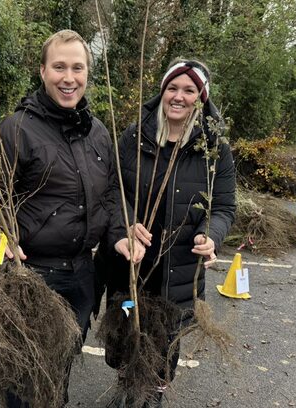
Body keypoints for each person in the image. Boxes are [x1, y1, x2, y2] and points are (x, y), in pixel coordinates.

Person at [0, 30, 145, 408]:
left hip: (82, 275)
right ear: (42, 71)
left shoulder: (98, 133)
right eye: (59, 67)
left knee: (60, 366)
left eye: (77, 67)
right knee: (23, 372)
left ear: (87, 73)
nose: (68, 77)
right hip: (31, 275)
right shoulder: (16, 129)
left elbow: (109, 196)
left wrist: (120, 233)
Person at [95, 59, 236, 407]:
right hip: (132, 262)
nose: (179, 96)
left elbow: (223, 207)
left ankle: (153, 390)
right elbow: (112, 191)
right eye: (172, 88)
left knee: (166, 334)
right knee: (127, 322)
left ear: (200, 98)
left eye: (189, 90)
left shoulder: (214, 149)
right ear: (162, 92)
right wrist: (127, 222)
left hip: (178, 267)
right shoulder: (134, 136)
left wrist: (211, 235)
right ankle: (128, 381)